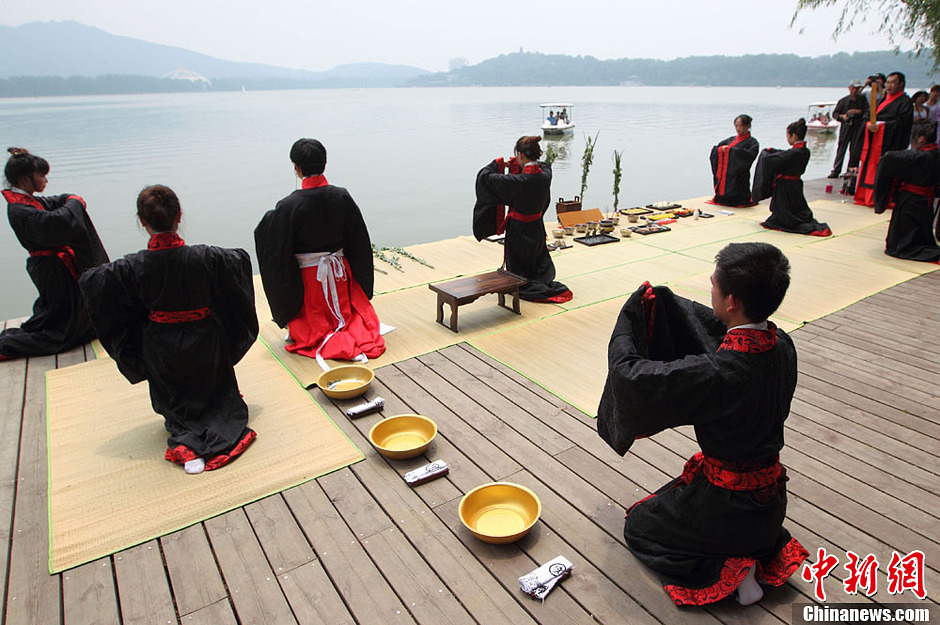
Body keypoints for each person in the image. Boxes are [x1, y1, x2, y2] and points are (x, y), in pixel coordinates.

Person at [596, 242, 809, 606]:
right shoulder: (782, 345)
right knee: (666, 499)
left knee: (640, 526)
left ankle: (732, 568)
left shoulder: (718, 375)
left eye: (713, 284)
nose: (708, 290)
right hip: (768, 504)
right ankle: (750, 553)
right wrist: (661, 303)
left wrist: (630, 319)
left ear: (732, 303)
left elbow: (634, 378)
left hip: (727, 510)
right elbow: (708, 327)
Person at [79, 185, 259, 474]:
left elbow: (94, 282)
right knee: (221, 402)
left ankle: (187, 443)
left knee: (178, 409)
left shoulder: (132, 266)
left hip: (161, 347)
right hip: (205, 341)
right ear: (179, 216)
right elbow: (239, 260)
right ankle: (211, 434)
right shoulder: (206, 257)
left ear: (142, 221)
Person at [255, 138, 385, 366]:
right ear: (324, 163)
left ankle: (320, 331)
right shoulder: (342, 196)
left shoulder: (288, 205)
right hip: (339, 274)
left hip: (310, 280)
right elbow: (359, 240)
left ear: (296, 168)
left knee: (314, 324)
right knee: (349, 317)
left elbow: (273, 247)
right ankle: (345, 326)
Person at [0, 147, 109, 361]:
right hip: (51, 268)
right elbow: (60, 221)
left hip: (52, 265)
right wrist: (75, 202)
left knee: (65, 317)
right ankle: (7, 346)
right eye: (41, 175)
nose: (45, 180)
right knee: (63, 334)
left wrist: (72, 199)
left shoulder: (27, 202)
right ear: (25, 179)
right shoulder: (20, 209)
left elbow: (59, 201)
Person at [472, 135, 572, 302]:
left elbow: (485, 177)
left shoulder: (518, 182)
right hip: (537, 227)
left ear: (520, 155)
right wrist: (518, 164)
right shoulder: (545, 174)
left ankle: (518, 280)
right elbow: (541, 166)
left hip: (519, 229)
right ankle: (537, 277)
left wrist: (498, 164)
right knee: (535, 257)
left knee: (519, 266)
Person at [873, 121, 940, 263]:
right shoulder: (935, 155)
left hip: (909, 203)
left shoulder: (918, 157)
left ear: (921, 139)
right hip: (926, 202)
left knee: (899, 246)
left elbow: (888, 158)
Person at [752, 119, 832, 237]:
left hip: (786, 185)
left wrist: (766, 153)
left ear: (793, 136)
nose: (787, 139)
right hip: (796, 183)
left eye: (788, 136)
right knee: (796, 208)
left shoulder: (795, 153)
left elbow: (777, 159)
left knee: (786, 212)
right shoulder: (805, 151)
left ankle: (785, 220)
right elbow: (785, 155)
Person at [856, 72, 914, 206]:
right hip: (874, 141)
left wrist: (882, 127)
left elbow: (903, 123)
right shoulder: (882, 99)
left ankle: (882, 199)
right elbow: (868, 115)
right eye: (887, 82)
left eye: (893, 82)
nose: (889, 85)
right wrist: (868, 125)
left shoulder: (905, 102)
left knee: (886, 170)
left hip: (889, 143)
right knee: (870, 169)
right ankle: (866, 197)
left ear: (901, 84)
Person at [709, 114, 759, 207]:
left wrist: (730, 150)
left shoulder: (752, 142)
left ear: (748, 126)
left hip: (739, 172)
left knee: (739, 185)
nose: (738, 128)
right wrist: (721, 150)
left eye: (740, 125)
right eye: (736, 125)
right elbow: (717, 149)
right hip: (725, 172)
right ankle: (722, 197)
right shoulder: (730, 139)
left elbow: (750, 155)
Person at [828, 79, 867, 178]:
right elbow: (835, 114)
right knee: (841, 148)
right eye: (853, 88)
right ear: (849, 88)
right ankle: (836, 170)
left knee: (855, 149)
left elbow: (867, 112)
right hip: (846, 126)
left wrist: (857, 112)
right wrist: (842, 117)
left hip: (857, 127)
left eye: (857, 88)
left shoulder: (862, 99)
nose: (855, 90)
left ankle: (851, 169)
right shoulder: (843, 101)